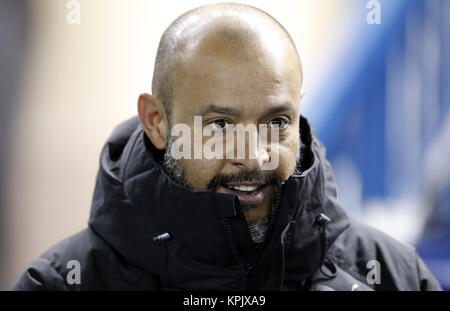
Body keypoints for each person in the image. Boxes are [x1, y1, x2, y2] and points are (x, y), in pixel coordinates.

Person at [11, 3, 441, 291]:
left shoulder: (393, 276)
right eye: (219, 125)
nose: (253, 156)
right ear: (157, 123)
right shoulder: (60, 282)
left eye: (276, 122)